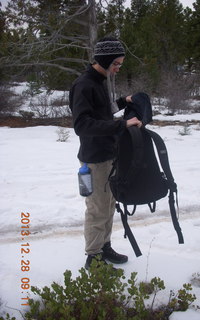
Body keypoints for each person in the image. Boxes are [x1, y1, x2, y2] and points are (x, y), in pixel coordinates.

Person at [69, 37, 142, 269]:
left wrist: (123, 101)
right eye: (116, 64)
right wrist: (122, 124)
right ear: (105, 60)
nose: (118, 69)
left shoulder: (99, 81)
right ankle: (94, 257)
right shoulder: (84, 85)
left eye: (120, 64)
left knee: (109, 206)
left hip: (109, 156)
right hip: (94, 160)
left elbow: (102, 112)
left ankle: (105, 246)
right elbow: (82, 125)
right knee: (97, 209)